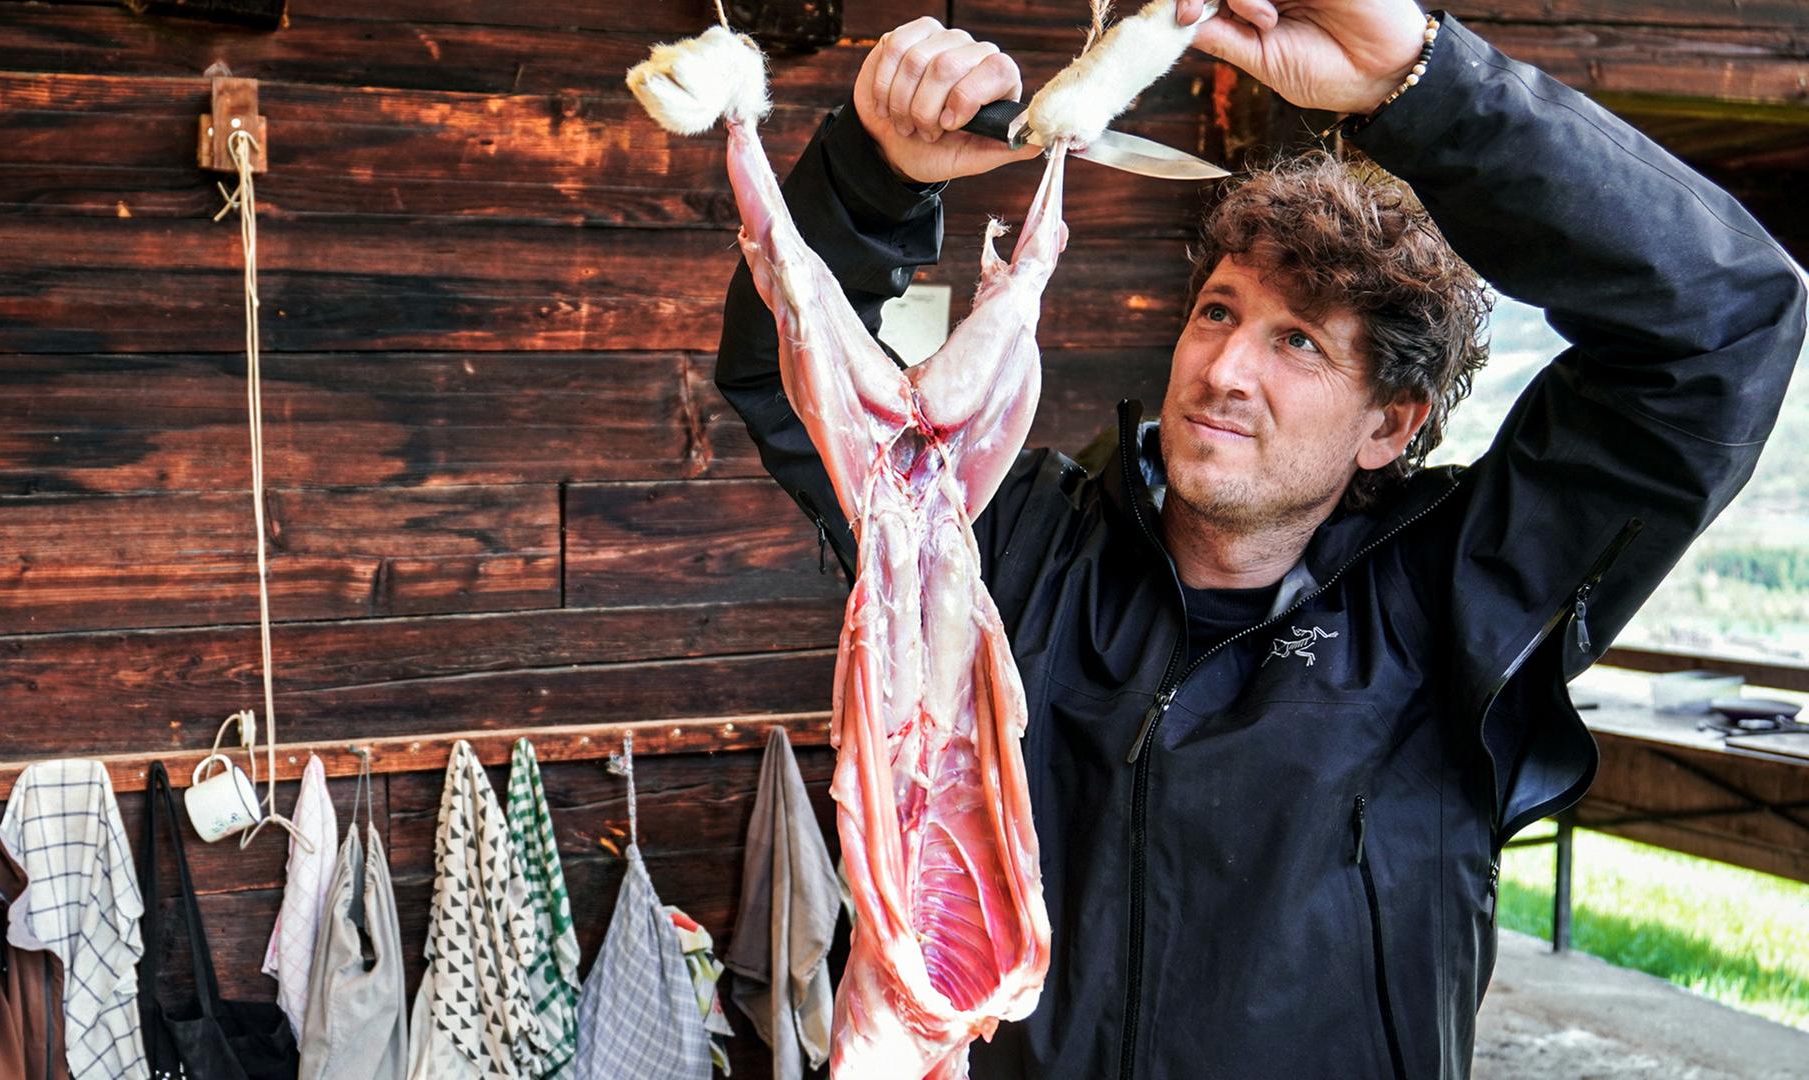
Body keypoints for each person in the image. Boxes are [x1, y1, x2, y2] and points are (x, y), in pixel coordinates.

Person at [713, 1, 1808, 1077]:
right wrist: (873, 178)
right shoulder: (1014, 544)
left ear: (1391, 425)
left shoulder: (1460, 599)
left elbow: (1726, 323)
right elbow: (789, 376)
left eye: (1298, 342)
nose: (1227, 371)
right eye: (1220, 312)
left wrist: (1419, 87)